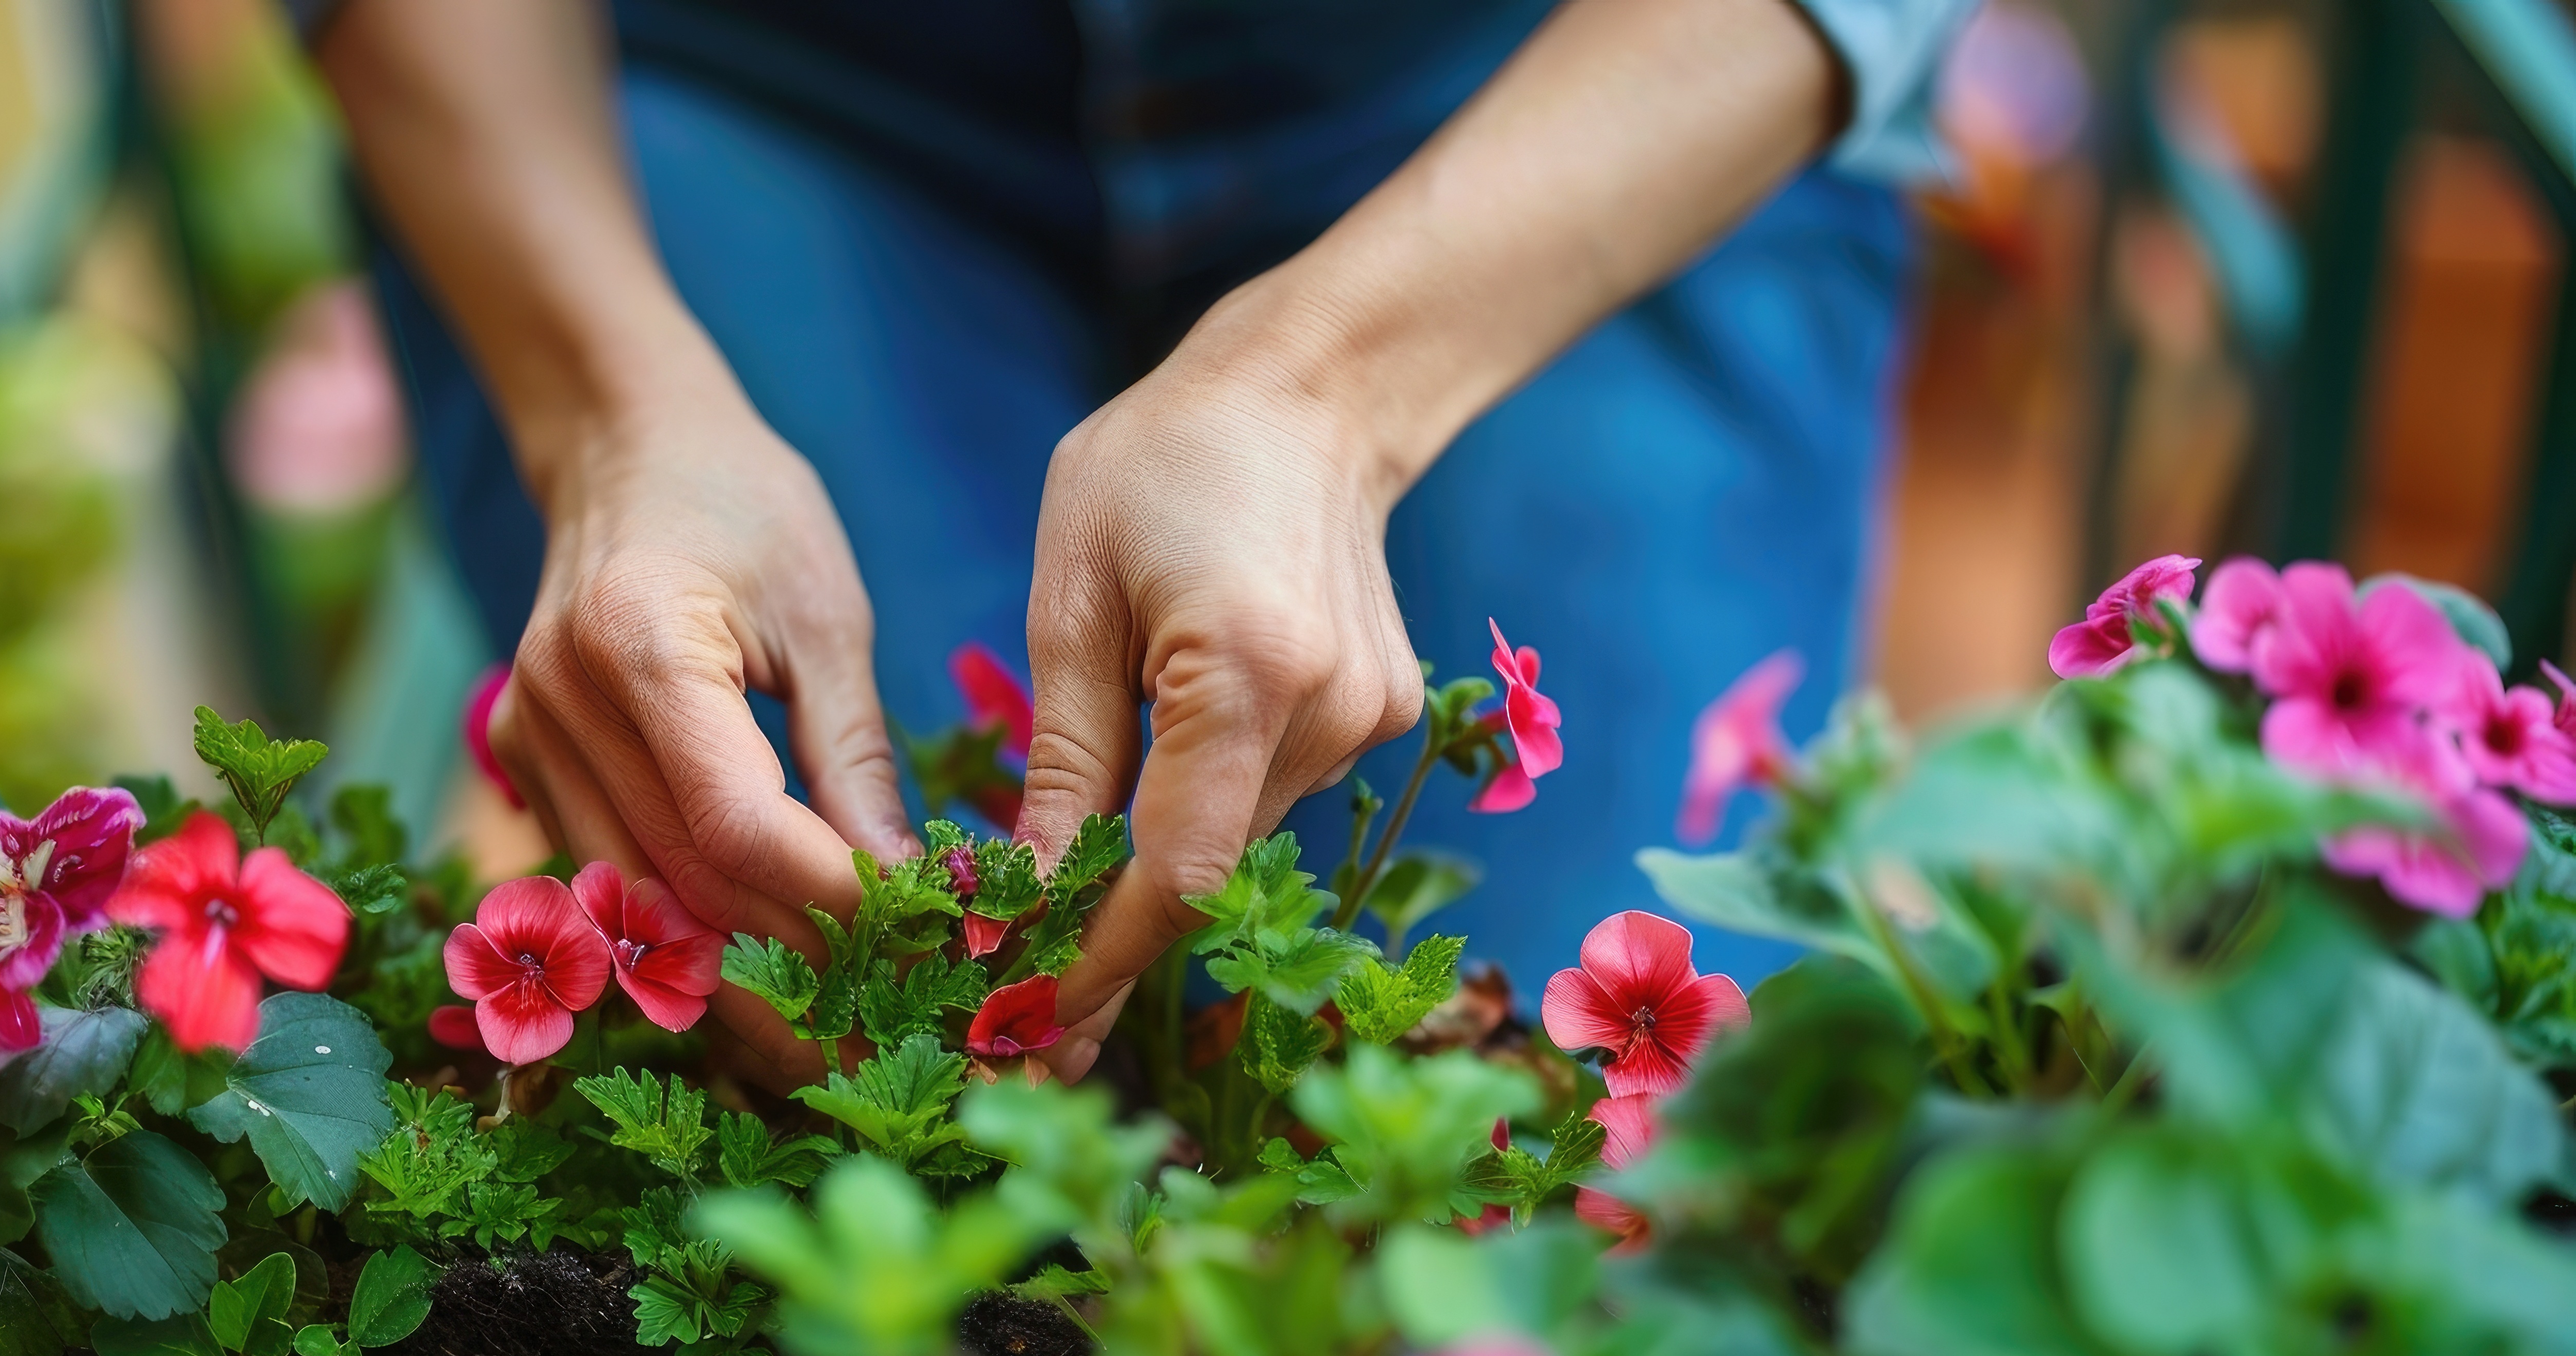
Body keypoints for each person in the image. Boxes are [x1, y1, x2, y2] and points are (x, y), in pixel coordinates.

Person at [297, 0, 1977, 1080]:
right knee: (870, 1029)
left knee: (1552, 1156)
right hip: (774, 82)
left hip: (1568, 82)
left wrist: (1329, 391)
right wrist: (613, 422)